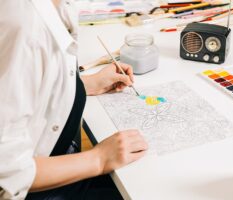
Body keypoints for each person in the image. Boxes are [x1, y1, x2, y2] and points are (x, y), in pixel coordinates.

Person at [0, 0, 148, 199]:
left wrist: (83, 85)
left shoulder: (54, 6)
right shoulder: (24, 26)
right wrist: (99, 159)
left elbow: (23, 88)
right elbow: (9, 172)